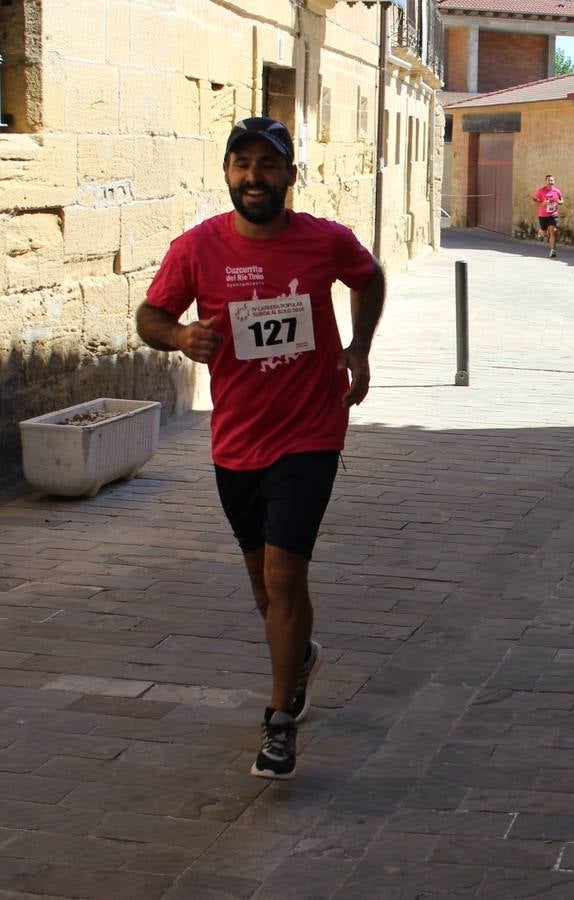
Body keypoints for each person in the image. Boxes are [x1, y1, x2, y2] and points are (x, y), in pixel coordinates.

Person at [135, 117, 385, 780]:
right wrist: (180, 337)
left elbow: (369, 277)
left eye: (268, 165)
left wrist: (357, 348)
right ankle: (297, 655)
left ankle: (280, 719)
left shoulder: (325, 242)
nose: (254, 177)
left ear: (289, 176)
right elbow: (150, 317)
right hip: (237, 440)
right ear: (227, 174)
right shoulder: (197, 248)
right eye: (242, 164)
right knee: (262, 584)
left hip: (310, 430)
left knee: (284, 574)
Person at [534, 174, 564, 258]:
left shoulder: (557, 191)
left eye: (552, 180)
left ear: (554, 181)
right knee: (544, 232)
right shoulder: (541, 190)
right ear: (546, 181)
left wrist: (560, 202)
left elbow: (561, 200)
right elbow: (535, 198)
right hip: (543, 214)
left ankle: (553, 250)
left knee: (553, 231)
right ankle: (541, 232)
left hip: (553, 214)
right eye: (549, 180)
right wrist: (542, 202)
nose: (550, 182)